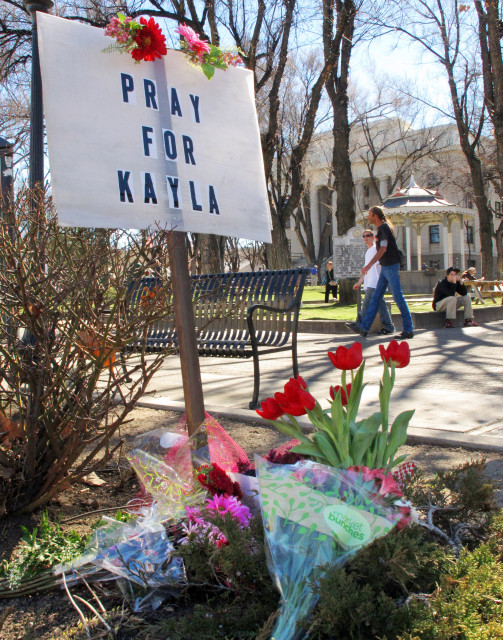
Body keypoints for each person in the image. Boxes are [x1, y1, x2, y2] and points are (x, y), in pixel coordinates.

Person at [348, 206, 414, 339]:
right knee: (376, 298)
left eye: (370, 214)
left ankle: (408, 329)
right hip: (385, 266)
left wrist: (368, 266)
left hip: (390, 265)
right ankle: (364, 328)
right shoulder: (381, 229)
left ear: (376, 216)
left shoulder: (384, 228)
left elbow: (383, 249)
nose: (368, 217)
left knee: (398, 297)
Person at [346, 229, 395, 335]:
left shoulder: (375, 249)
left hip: (376, 282)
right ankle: (389, 326)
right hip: (370, 283)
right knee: (381, 305)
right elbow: (366, 269)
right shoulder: (368, 252)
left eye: (368, 235)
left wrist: (386, 280)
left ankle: (359, 324)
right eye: (364, 236)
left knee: (367, 303)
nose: (365, 238)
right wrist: (359, 282)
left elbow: (382, 265)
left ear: (373, 237)